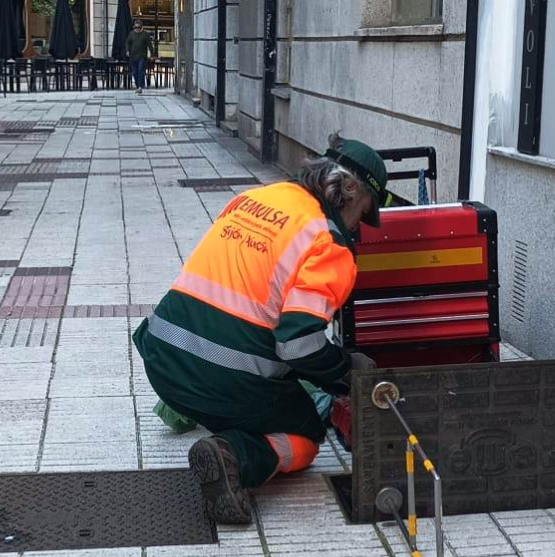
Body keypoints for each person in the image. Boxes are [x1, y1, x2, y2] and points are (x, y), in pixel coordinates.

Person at [133, 134, 388, 524]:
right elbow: (298, 346)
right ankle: (234, 456)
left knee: (245, 382)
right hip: (219, 377)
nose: (358, 229)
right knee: (304, 434)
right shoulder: (329, 244)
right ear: (351, 196)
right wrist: (345, 370)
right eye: (363, 216)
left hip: (162, 358)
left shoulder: (259, 197)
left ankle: (209, 410)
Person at [126, 18, 153, 93]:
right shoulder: (131, 33)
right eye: (135, 27)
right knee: (134, 72)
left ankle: (140, 86)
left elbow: (150, 45)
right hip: (133, 56)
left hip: (142, 56)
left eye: (138, 27)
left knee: (140, 70)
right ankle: (138, 86)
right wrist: (127, 50)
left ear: (141, 27)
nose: (137, 29)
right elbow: (127, 42)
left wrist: (152, 55)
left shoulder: (145, 34)